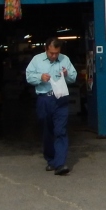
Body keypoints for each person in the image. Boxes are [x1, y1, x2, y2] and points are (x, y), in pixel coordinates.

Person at [25, 38, 77, 175]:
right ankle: (51, 159)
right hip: (45, 99)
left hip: (60, 99)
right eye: (51, 53)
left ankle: (60, 164)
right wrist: (40, 77)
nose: (54, 56)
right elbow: (28, 76)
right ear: (46, 49)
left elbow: (74, 77)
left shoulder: (65, 59)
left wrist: (67, 74)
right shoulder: (37, 60)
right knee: (47, 130)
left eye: (56, 53)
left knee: (60, 130)